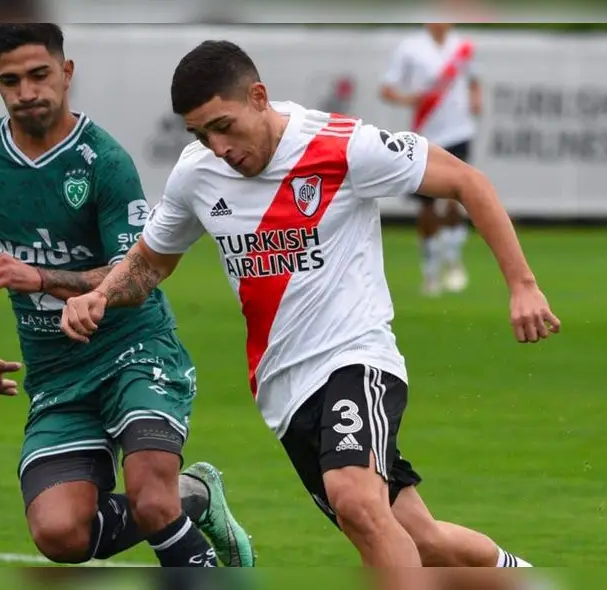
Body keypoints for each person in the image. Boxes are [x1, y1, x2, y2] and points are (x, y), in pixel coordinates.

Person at [59, 39, 560, 579]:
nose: (218, 146)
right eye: (200, 134)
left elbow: (466, 180)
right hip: (283, 391)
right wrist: (101, 293)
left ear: (257, 96)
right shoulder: (196, 174)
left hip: (355, 357)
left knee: (357, 501)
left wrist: (523, 285)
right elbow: (151, 263)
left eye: (223, 126)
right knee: (423, 539)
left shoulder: (343, 145)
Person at [0, 24, 254, 568]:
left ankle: (182, 521)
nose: (26, 91)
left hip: (134, 350)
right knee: (59, 534)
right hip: (57, 373)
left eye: (39, 75)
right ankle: (196, 496)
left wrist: (40, 277)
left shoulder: (102, 161)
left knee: (151, 500)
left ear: (66, 74)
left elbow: (129, 277)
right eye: (10, 80)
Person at [380, 23, 482, 297]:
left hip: (459, 131)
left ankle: (453, 261)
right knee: (426, 207)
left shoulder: (461, 45)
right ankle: (430, 269)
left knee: (456, 198)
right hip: (424, 135)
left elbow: (473, 80)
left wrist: (475, 99)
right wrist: (410, 98)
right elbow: (387, 89)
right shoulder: (411, 47)